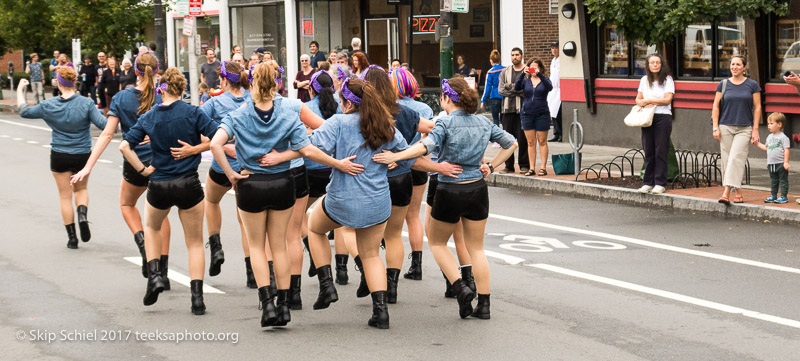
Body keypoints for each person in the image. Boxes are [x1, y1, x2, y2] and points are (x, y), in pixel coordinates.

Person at [209, 62, 361, 328]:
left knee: (258, 246)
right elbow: (306, 149)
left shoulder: (240, 113)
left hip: (250, 183)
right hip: (282, 182)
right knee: (280, 243)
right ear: (278, 84)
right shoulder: (289, 113)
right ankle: (284, 303)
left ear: (252, 84)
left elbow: (215, 144)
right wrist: (334, 163)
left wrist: (231, 174)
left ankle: (266, 303)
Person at [373, 77, 518, 320]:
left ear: (446, 98)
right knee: (477, 248)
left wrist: (396, 156)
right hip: (478, 188)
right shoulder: (483, 122)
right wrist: (491, 166)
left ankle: (459, 287)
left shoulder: (445, 123)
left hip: (450, 188)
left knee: (438, 242)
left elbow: (424, 148)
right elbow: (511, 142)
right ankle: (484, 304)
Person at [119, 68, 217, 315]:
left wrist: (143, 170)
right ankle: (197, 299)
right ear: (183, 89)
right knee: (194, 242)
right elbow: (219, 139)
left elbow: (124, 146)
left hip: (159, 183)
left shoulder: (149, 117)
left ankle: (155, 277)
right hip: (188, 183)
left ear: (161, 89)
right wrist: (194, 150)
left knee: (152, 228)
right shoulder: (193, 113)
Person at [71, 52, 175, 282]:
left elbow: (107, 134)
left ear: (134, 71)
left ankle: (142, 242)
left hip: (134, 163)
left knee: (127, 204)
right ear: (157, 70)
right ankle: (163, 272)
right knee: (162, 215)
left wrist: (88, 167)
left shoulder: (121, 98)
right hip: (161, 163)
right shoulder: (166, 96)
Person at [361, 65, 437, 304]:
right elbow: (433, 130)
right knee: (394, 234)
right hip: (402, 177)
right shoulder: (404, 112)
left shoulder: (363, 113)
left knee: (367, 236)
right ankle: (392, 287)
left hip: (372, 180)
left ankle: (371, 279)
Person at [16, 67, 107, 249]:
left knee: (65, 197)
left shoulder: (49, 105)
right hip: (82, 154)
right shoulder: (86, 103)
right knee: (80, 190)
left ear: (58, 83)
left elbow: (23, 111)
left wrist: (20, 89)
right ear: (75, 82)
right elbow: (105, 125)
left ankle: (72, 238)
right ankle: (82, 214)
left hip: (59, 154)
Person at [199, 61, 252, 284]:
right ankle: (251, 271)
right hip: (248, 165)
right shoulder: (252, 98)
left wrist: (219, 143)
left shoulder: (215, 102)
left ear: (222, 79)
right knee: (245, 220)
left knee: (211, 200)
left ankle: (216, 246)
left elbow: (198, 127)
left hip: (223, 165)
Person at [390, 68, 434, 281]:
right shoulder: (424, 107)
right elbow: (430, 134)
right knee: (414, 215)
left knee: (393, 220)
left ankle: (392, 266)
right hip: (418, 162)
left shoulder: (392, 107)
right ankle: (417, 264)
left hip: (394, 165)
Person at [711, 55, 761, 204]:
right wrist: (715, 127)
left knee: (735, 158)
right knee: (727, 160)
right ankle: (738, 191)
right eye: (733, 64)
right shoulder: (723, 84)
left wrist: (756, 129)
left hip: (745, 127)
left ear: (744, 67)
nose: (735, 67)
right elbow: (715, 106)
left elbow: (757, 107)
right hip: (725, 126)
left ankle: (726, 191)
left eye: (738, 64)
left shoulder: (752, 85)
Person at [635, 54, 675, 195]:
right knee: (649, 150)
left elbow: (667, 100)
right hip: (647, 117)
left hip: (662, 117)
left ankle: (660, 183)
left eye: (658, 62)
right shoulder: (644, 80)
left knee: (661, 150)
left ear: (661, 64)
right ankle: (648, 182)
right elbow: (638, 98)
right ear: (648, 65)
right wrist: (642, 102)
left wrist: (650, 100)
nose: (655, 65)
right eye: (652, 63)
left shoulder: (668, 80)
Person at [516, 59, 553, 177]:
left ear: (540, 68)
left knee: (542, 141)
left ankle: (543, 167)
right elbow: (517, 87)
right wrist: (522, 73)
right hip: (527, 114)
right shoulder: (526, 81)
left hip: (542, 114)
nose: (533, 70)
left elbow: (549, 87)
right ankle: (532, 168)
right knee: (531, 142)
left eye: (535, 67)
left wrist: (540, 75)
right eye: (531, 67)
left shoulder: (545, 80)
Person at [498, 47, 529, 174]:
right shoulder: (505, 72)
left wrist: (509, 87)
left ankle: (524, 165)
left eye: (517, 55)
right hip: (506, 110)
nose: (515, 57)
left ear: (521, 56)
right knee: (507, 139)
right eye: (512, 55)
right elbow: (501, 90)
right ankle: (508, 166)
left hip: (522, 110)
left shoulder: (527, 71)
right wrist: (517, 90)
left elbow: (527, 90)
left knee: (523, 139)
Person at [757, 112, 791, 204]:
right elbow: (766, 148)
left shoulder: (784, 137)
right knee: (773, 180)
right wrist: (757, 144)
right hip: (771, 163)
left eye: (771, 123)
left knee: (783, 180)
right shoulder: (769, 137)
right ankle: (773, 195)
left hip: (781, 163)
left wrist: (786, 162)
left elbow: (786, 150)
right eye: (768, 123)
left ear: (779, 124)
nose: (769, 126)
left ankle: (783, 196)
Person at [481, 50, 505, 127]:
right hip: (504, 96)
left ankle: (497, 137)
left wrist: (483, 100)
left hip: (494, 96)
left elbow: (487, 88)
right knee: (504, 119)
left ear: (491, 60)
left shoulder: (490, 72)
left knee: (495, 120)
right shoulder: (505, 70)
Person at [547, 41, 563, 142]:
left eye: (556, 48)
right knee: (553, 112)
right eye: (552, 48)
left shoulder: (561, 60)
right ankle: (556, 133)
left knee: (558, 112)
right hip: (553, 89)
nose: (554, 50)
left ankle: (561, 133)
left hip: (559, 88)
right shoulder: (553, 60)